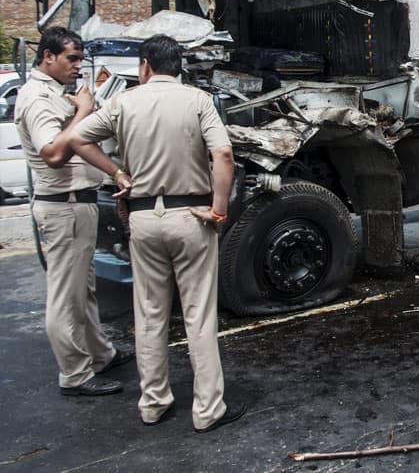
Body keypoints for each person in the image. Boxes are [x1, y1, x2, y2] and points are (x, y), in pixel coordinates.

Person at [71, 34, 246, 432]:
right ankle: (207, 410)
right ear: (178, 66)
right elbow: (223, 154)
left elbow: (78, 138)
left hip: (143, 218)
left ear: (145, 66)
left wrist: (116, 173)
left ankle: (153, 403)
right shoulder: (198, 101)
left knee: (149, 315)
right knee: (198, 316)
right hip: (192, 216)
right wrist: (219, 208)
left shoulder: (123, 102)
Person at [14, 26, 133, 396]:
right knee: (66, 295)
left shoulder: (53, 93)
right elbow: (52, 154)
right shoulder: (37, 97)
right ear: (47, 56)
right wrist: (82, 111)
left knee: (85, 289)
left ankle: (100, 354)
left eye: (80, 59)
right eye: (71, 59)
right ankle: (75, 375)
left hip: (77, 205)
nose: (77, 67)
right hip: (63, 206)